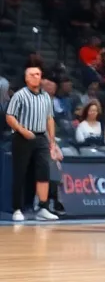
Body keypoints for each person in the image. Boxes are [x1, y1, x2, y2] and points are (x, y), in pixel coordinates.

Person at [6, 65, 60, 221]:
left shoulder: (46, 97)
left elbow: (50, 119)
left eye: (38, 74)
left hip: (41, 137)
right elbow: (10, 117)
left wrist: (52, 141)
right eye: (33, 74)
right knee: (20, 173)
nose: (37, 77)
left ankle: (43, 207)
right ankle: (17, 208)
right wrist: (22, 130)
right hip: (22, 137)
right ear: (26, 78)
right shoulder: (20, 95)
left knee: (44, 171)